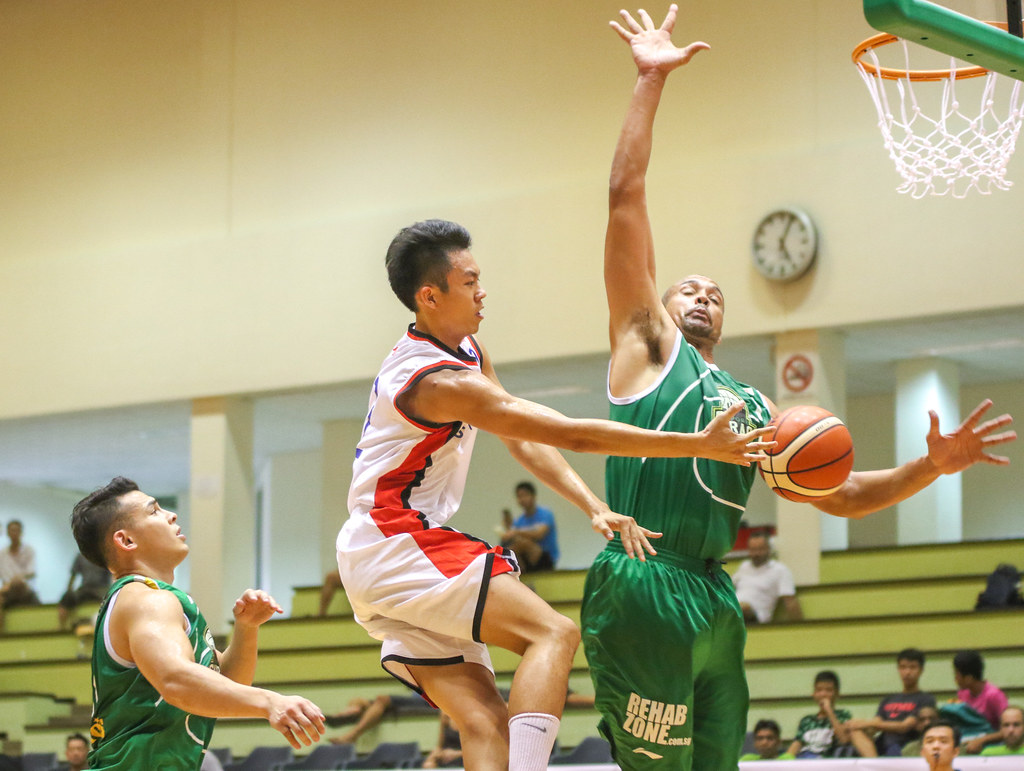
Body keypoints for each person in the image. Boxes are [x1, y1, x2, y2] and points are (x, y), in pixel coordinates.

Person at [578, 5, 1018, 769]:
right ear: (660, 303)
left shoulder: (755, 406)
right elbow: (625, 195)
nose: (705, 296)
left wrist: (931, 466)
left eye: (717, 293)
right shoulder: (646, 346)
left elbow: (841, 494)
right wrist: (650, 80)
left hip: (714, 595)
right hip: (645, 579)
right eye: (689, 288)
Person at [336, 219, 773, 771]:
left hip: (379, 554)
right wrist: (695, 444)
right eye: (469, 282)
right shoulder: (436, 380)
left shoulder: (466, 351)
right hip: (396, 539)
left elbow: (520, 440)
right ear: (430, 296)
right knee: (554, 634)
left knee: (485, 721)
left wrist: (595, 507)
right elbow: (570, 434)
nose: (482, 291)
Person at [71, 477, 325, 770]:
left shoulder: (156, 599)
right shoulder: (145, 599)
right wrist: (270, 702)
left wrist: (246, 628)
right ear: (126, 540)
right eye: (154, 511)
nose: (171, 515)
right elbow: (177, 680)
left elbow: (223, 686)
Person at [847, 647, 936, 757]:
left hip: (906, 746)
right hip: (882, 745)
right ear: (898, 669)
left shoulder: (926, 699)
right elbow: (876, 723)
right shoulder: (888, 699)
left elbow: (904, 726)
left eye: (912, 667)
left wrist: (867, 723)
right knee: (855, 731)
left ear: (921, 670)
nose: (907, 672)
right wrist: (856, 725)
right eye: (903, 667)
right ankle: (874, 763)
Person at [731, 532, 802, 623]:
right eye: (753, 550)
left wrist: (800, 626)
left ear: (768, 549)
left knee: (743, 608)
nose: (756, 554)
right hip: (734, 611)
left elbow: (790, 601)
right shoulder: (744, 566)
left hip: (755, 617)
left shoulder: (780, 570)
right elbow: (729, 587)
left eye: (760, 549)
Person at [785, 671, 852, 758]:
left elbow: (844, 740)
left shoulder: (843, 715)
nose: (823, 694)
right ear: (814, 694)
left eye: (828, 690)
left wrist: (829, 711)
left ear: (837, 694)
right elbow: (797, 743)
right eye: (819, 690)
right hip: (805, 760)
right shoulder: (807, 720)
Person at [326, 692, 431, 746]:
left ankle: (351, 735)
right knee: (358, 702)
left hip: (428, 701)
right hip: (417, 697)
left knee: (382, 699)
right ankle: (349, 713)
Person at [954, 649, 1008, 753]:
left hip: (992, 747)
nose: (955, 678)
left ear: (968, 678)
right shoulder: (962, 694)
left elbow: (1006, 730)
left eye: (957, 674)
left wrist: (981, 740)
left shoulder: (994, 695)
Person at [499, 482, 560, 573]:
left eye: (525, 495)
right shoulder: (519, 521)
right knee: (509, 550)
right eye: (519, 496)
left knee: (524, 543)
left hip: (545, 556)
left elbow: (539, 534)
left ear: (533, 496)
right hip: (526, 558)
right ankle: (520, 572)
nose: (522, 499)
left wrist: (516, 532)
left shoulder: (546, 514)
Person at [58, 551, 112, 630]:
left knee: (111, 599)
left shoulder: (104, 554)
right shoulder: (80, 556)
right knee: (67, 596)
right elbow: (73, 575)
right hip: (85, 588)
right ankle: (61, 627)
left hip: (101, 589)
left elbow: (113, 575)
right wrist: (69, 590)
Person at [0, 520, 41, 613]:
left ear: (21, 532)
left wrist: (16, 581)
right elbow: (3, 576)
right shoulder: (2, 554)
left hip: (25, 590)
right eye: (12, 530)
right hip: (7, 591)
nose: (14, 533)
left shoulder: (29, 551)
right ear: (8, 533)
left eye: (16, 530)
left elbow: (31, 572)